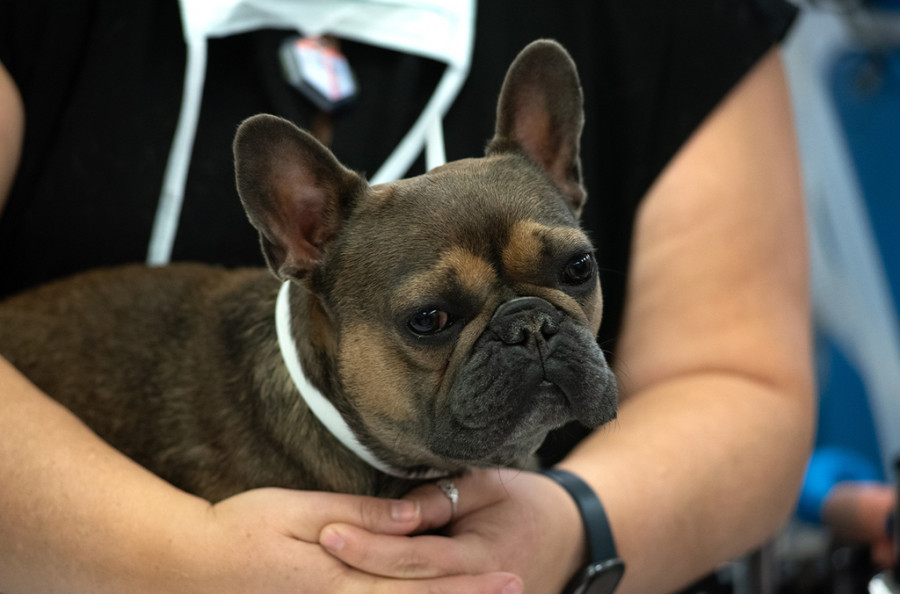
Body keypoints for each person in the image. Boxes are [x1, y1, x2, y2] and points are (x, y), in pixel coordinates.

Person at [0, 1, 814, 592]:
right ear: (301, 241)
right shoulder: (226, 445)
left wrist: (574, 528)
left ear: (564, 175)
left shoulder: (667, 26)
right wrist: (185, 559)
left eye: (570, 274)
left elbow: (741, 384)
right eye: (433, 320)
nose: (531, 337)